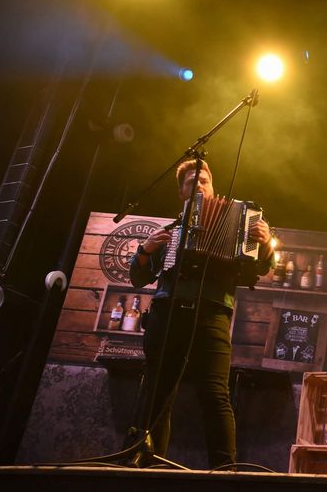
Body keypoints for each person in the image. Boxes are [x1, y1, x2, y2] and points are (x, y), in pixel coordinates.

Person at [129, 159, 274, 468]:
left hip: (212, 316)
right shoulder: (167, 232)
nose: (198, 185)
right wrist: (144, 251)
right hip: (168, 316)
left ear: (212, 187)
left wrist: (267, 246)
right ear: (182, 191)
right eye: (190, 181)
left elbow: (256, 271)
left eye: (203, 180)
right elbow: (138, 277)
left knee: (215, 395)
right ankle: (145, 467)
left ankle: (224, 470)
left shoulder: (239, 226)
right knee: (157, 393)